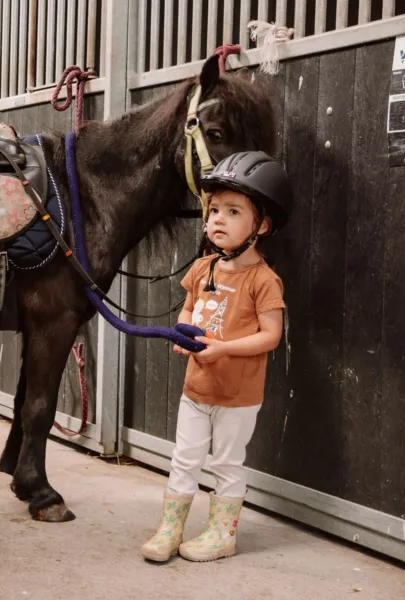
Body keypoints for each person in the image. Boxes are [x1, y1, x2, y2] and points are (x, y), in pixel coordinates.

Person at [140, 151, 293, 563]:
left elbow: (271, 336)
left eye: (232, 211)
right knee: (184, 459)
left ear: (261, 225)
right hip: (197, 388)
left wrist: (223, 347)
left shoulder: (263, 280)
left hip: (237, 396)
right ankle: (171, 528)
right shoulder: (204, 267)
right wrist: (181, 330)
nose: (217, 219)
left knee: (227, 462)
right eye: (213, 211)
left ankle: (222, 533)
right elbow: (189, 308)